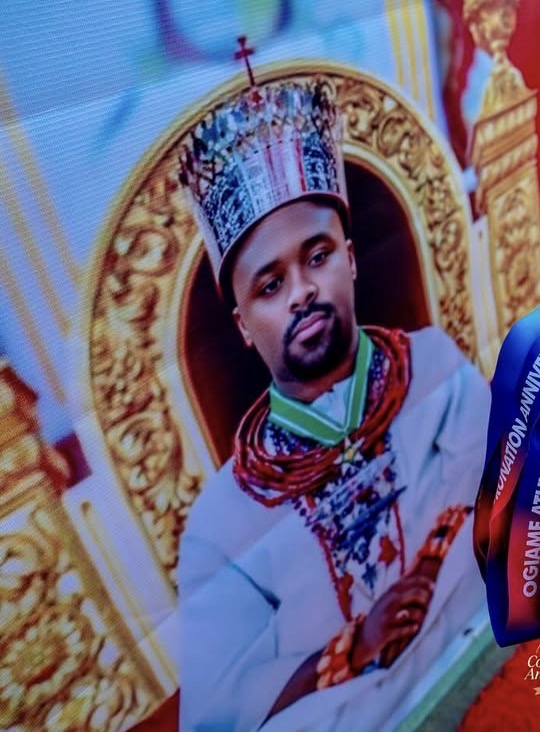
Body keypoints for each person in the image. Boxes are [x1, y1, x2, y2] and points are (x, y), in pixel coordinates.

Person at [176, 73, 490, 731]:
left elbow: (500, 504)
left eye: (316, 256)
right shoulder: (222, 520)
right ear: (241, 324)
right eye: (270, 284)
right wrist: (350, 648)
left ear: (349, 259)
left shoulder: (430, 366)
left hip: (476, 650)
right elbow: (219, 708)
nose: (301, 292)